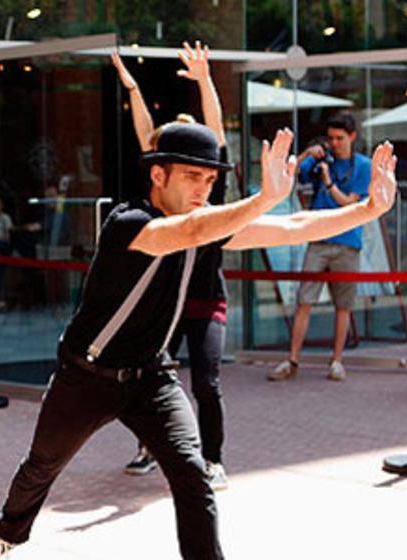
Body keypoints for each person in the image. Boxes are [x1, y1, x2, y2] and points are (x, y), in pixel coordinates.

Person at [0, 120, 398, 560]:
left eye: (210, 182)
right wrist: (262, 197)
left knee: (193, 476)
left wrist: (366, 212)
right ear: (157, 174)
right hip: (86, 374)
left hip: (151, 377)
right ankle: (5, 535)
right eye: (192, 177)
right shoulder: (128, 221)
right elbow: (185, 234)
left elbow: (293, 226)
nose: (201, 190)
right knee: (41, 465)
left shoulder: (208, 225)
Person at [115, 42, 231, 490]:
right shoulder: (162, 195)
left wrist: (204, 80)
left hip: (205, 300)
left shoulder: (208, 192)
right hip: (166, 301)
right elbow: (146, 136)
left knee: (206, 380)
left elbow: (217, 134)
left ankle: (214, 459)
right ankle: (150, 448)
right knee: (146, 379)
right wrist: (132, 88)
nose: (196, 176)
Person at [268, 112, 373, 382]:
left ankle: (337, 360)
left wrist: (328, 180)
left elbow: (350, 204)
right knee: (305, 300)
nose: (334, 144)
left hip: (347, 241)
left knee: (343, 305)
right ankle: (293, 359)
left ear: (352, 137)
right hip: (318, 240)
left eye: (340, 138)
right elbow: (288, 176)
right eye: (331, 138)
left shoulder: (362, 166)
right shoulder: (320, 161)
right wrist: (306, 155)